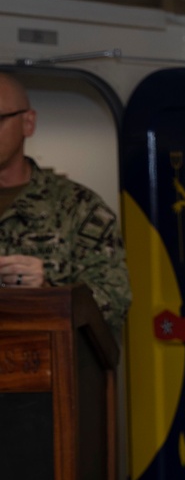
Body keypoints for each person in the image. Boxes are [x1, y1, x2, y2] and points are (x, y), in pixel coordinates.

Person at [0, 72, 131, 338]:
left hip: (46, 369)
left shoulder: (79, 209)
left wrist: (48, 291)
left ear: (28, 123)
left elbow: (114, 305)